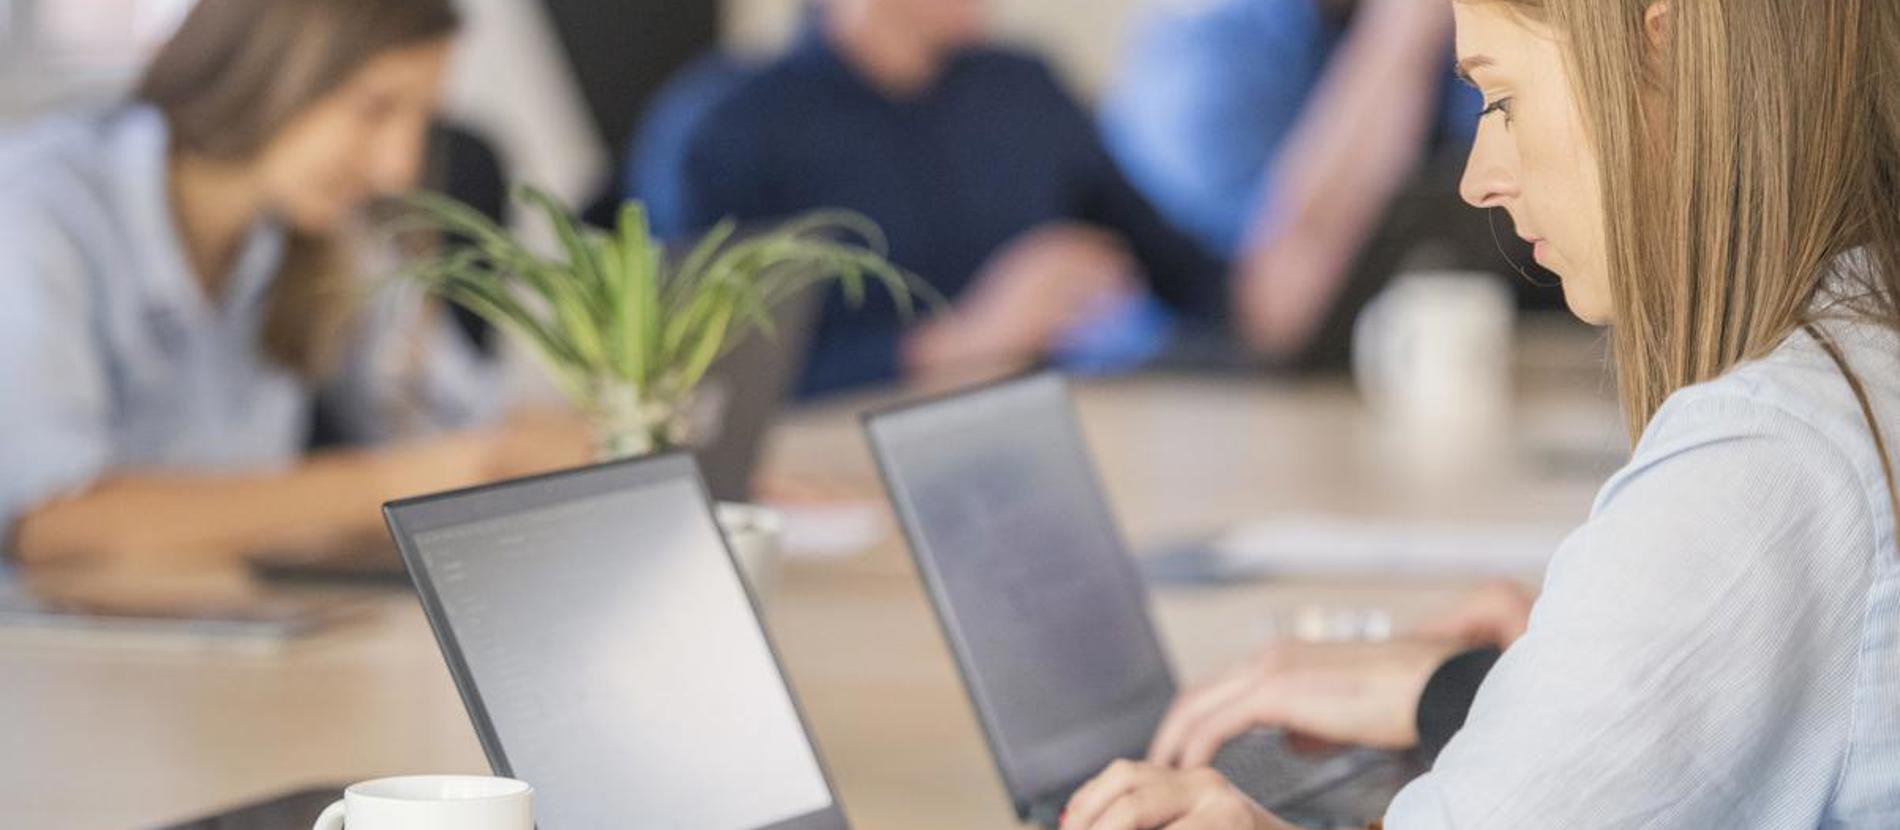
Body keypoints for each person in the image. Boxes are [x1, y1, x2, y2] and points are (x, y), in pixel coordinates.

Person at [1060, 0, 1900, 826]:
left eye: (1500, 100)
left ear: (1666, 57)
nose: (1478, 179)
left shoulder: (1769, 456)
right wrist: (1488, 689)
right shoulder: (1854, 362)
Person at [0, 0, 588, 569]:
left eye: (421, 121)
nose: (399, 168)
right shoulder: (37, 210)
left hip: (225, 625)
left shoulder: (316, 232)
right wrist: (401, 482)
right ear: (266, 67)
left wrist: (583, 439)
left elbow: (455, 420)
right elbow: (53, 524)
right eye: (374, 108)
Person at [661, 0, 1240, 398]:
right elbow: (717, 386)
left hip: (1038, 445)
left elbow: (1190, 276)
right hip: (834, 476)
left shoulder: (1023, 89)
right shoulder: (726, 130)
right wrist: (963, 341)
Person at [1102, 0, 1562, 367]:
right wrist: (1400, 39)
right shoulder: (1205, 45)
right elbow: (1274, 311)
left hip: (1370, 381)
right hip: (1176, 390)